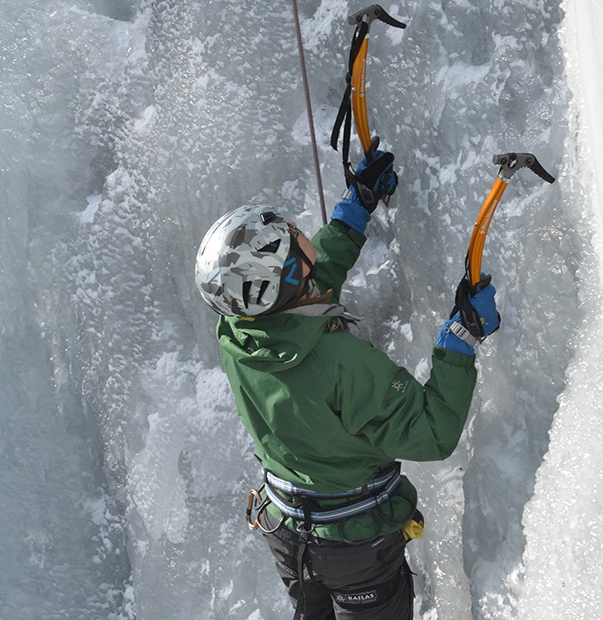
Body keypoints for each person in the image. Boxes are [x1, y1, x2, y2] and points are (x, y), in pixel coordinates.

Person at [194, 147, 500, 619]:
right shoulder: (342, 363)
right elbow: (434, 434)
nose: (305, 244)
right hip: (354, 547)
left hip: (285, 531)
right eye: (298, 244)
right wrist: (459, 341)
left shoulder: (237, 335)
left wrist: (353, 211)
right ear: (291, 274)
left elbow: (302, 295)